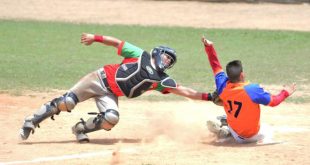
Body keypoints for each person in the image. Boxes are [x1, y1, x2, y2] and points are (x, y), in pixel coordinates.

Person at [19, 33, 214, 143]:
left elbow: (186, 91)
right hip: (98, 78)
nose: (166, 61)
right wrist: (94, 37)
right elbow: (117, 43)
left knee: (111, 118)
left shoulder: (161, 80)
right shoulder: (141, 55)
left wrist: (209, 97)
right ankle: (32, 120)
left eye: (170, 60)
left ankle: (80, 129)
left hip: (110, 93)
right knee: (67, 102)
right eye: (165, 56)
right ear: (157, 53)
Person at [201, 36, 296, 143]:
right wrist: (286, 92)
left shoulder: (222, 85)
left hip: (236, 133)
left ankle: (226, 129)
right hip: (253, 136)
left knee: (233, 117)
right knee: (269, 130)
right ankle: (226, 129)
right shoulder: (252, 90)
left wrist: (209, 47)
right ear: (242, 74)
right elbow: (274, 102)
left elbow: (215, 66)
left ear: (229, 75)